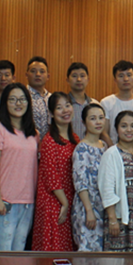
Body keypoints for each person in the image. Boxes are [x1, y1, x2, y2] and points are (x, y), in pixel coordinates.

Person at [0, 83, 38, 251]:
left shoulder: (33, 133)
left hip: (27, 201)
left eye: (22, 99)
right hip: (5, 201)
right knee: (2, 251)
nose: (18, 104)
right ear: (5, 103)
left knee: (19, 250)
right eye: (13, 100)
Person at [33, 92, 78, 251]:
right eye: (59, 108)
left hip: (69, 198)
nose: (65, 110)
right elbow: (51, 177)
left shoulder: (75, 138)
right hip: (53, 201)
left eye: (67, 105)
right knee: (54, 247)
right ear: (51, 114)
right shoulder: (49, 140)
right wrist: (64, 203)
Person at [100, 111, 133, 251]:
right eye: (124, 126)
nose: (129, 130)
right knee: (117, 259)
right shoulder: (111, 154)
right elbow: (106, 189)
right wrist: (112, 219)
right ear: (116, 129)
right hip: (119, 216)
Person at [71, 103, 108, 251]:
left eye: (101, 118)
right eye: (93, 118)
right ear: (84, 122)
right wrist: (89, 210)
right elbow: (80, 183)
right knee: (87, 250)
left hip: (103, 205)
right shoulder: (81, 148)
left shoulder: (104, 146)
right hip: (87, 206)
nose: (98, 122)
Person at [99, 60, 133, 146]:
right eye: (121, 76)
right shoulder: (106, 102)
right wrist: (115, 151)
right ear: (115, 80)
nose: (126, 79)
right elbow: (104, 133)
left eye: (129, 75)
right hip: (113, 149)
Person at [67, 62, 98, 140]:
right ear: (67, 80)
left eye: (82, 76)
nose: (79, 79)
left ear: (88, 79)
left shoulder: (95, 104)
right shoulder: (63, 105)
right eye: (74, 76)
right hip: (67, 146)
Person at [26, 56, 51, 137]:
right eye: (33, 71)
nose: (38, 74)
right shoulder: (22, 97)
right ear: (26, 75)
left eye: (42, 71)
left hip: (49, 143)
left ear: (48, 76)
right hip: (27, 141)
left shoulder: (52, 98)